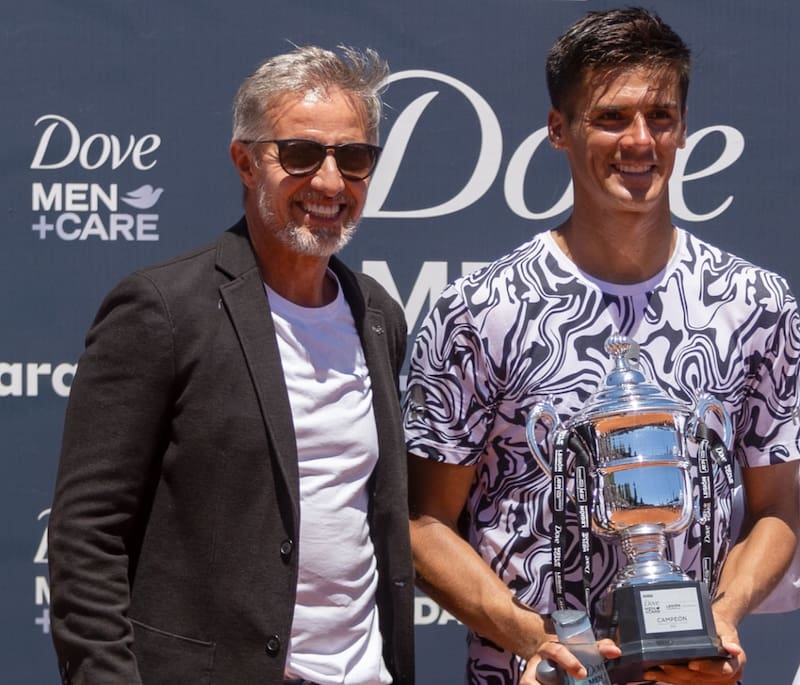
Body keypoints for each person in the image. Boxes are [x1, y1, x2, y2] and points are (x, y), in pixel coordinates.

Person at [404, 7, 799, 685]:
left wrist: (722, 618)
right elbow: (420, 523)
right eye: (612, 117)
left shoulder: (758, 303)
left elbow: (778, 508)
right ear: (559, 130)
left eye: (661, 117)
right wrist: (532, 637)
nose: (640, 141)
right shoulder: (480, 308)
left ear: (683, 129)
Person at [48, 45, 414, 685]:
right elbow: (86, 540)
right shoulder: (163, 308)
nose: (330, 183)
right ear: (246, 162)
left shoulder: (376, 313)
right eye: (300, 154)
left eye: (353, 158)